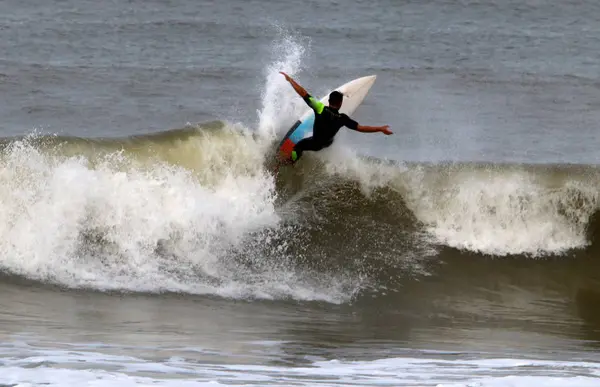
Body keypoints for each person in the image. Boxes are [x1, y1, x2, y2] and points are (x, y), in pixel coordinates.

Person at [279, 71, 392, 163]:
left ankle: (291, 161)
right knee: (330, 138)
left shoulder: (320, 108)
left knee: (299, 146)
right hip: (326, 144)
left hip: (315, 143)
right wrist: (380, 129)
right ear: (340, 103)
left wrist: (290, 80)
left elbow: (303, 93)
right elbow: (361, 128)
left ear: (328, 101)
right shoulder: (342, 118)